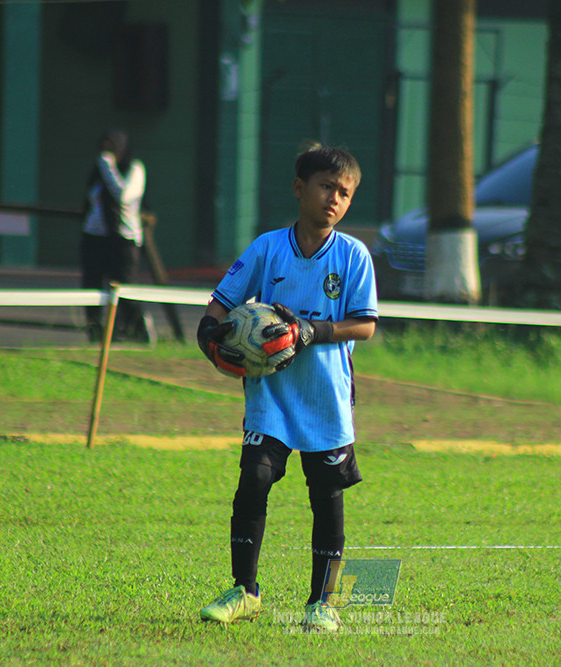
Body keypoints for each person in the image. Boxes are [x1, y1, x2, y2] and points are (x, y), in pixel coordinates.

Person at [197, 142, 377, 632]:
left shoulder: (354, 255)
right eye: (325, 187)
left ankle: (322, 602)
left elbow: (364, 325)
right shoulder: (268, 247)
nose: (334, 199)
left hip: (326, 398)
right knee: (253, 478)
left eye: (345, 192)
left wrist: (311, 332)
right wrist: (208, 334)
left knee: (327, 495)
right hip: (271, 396)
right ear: (300, 189)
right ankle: (244, 590)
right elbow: (220, 303)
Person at [79, 129, 154, 343]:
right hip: (95, 237)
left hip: (123, 239)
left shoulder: (134, 168)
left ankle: (137, 329)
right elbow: (91, 201)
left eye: (111, 147)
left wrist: (107, 166)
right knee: (91, 287)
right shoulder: (98, 172)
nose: (107, 152)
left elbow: (123, 195)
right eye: (103, 147)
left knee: (124, 290)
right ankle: (96, 333)